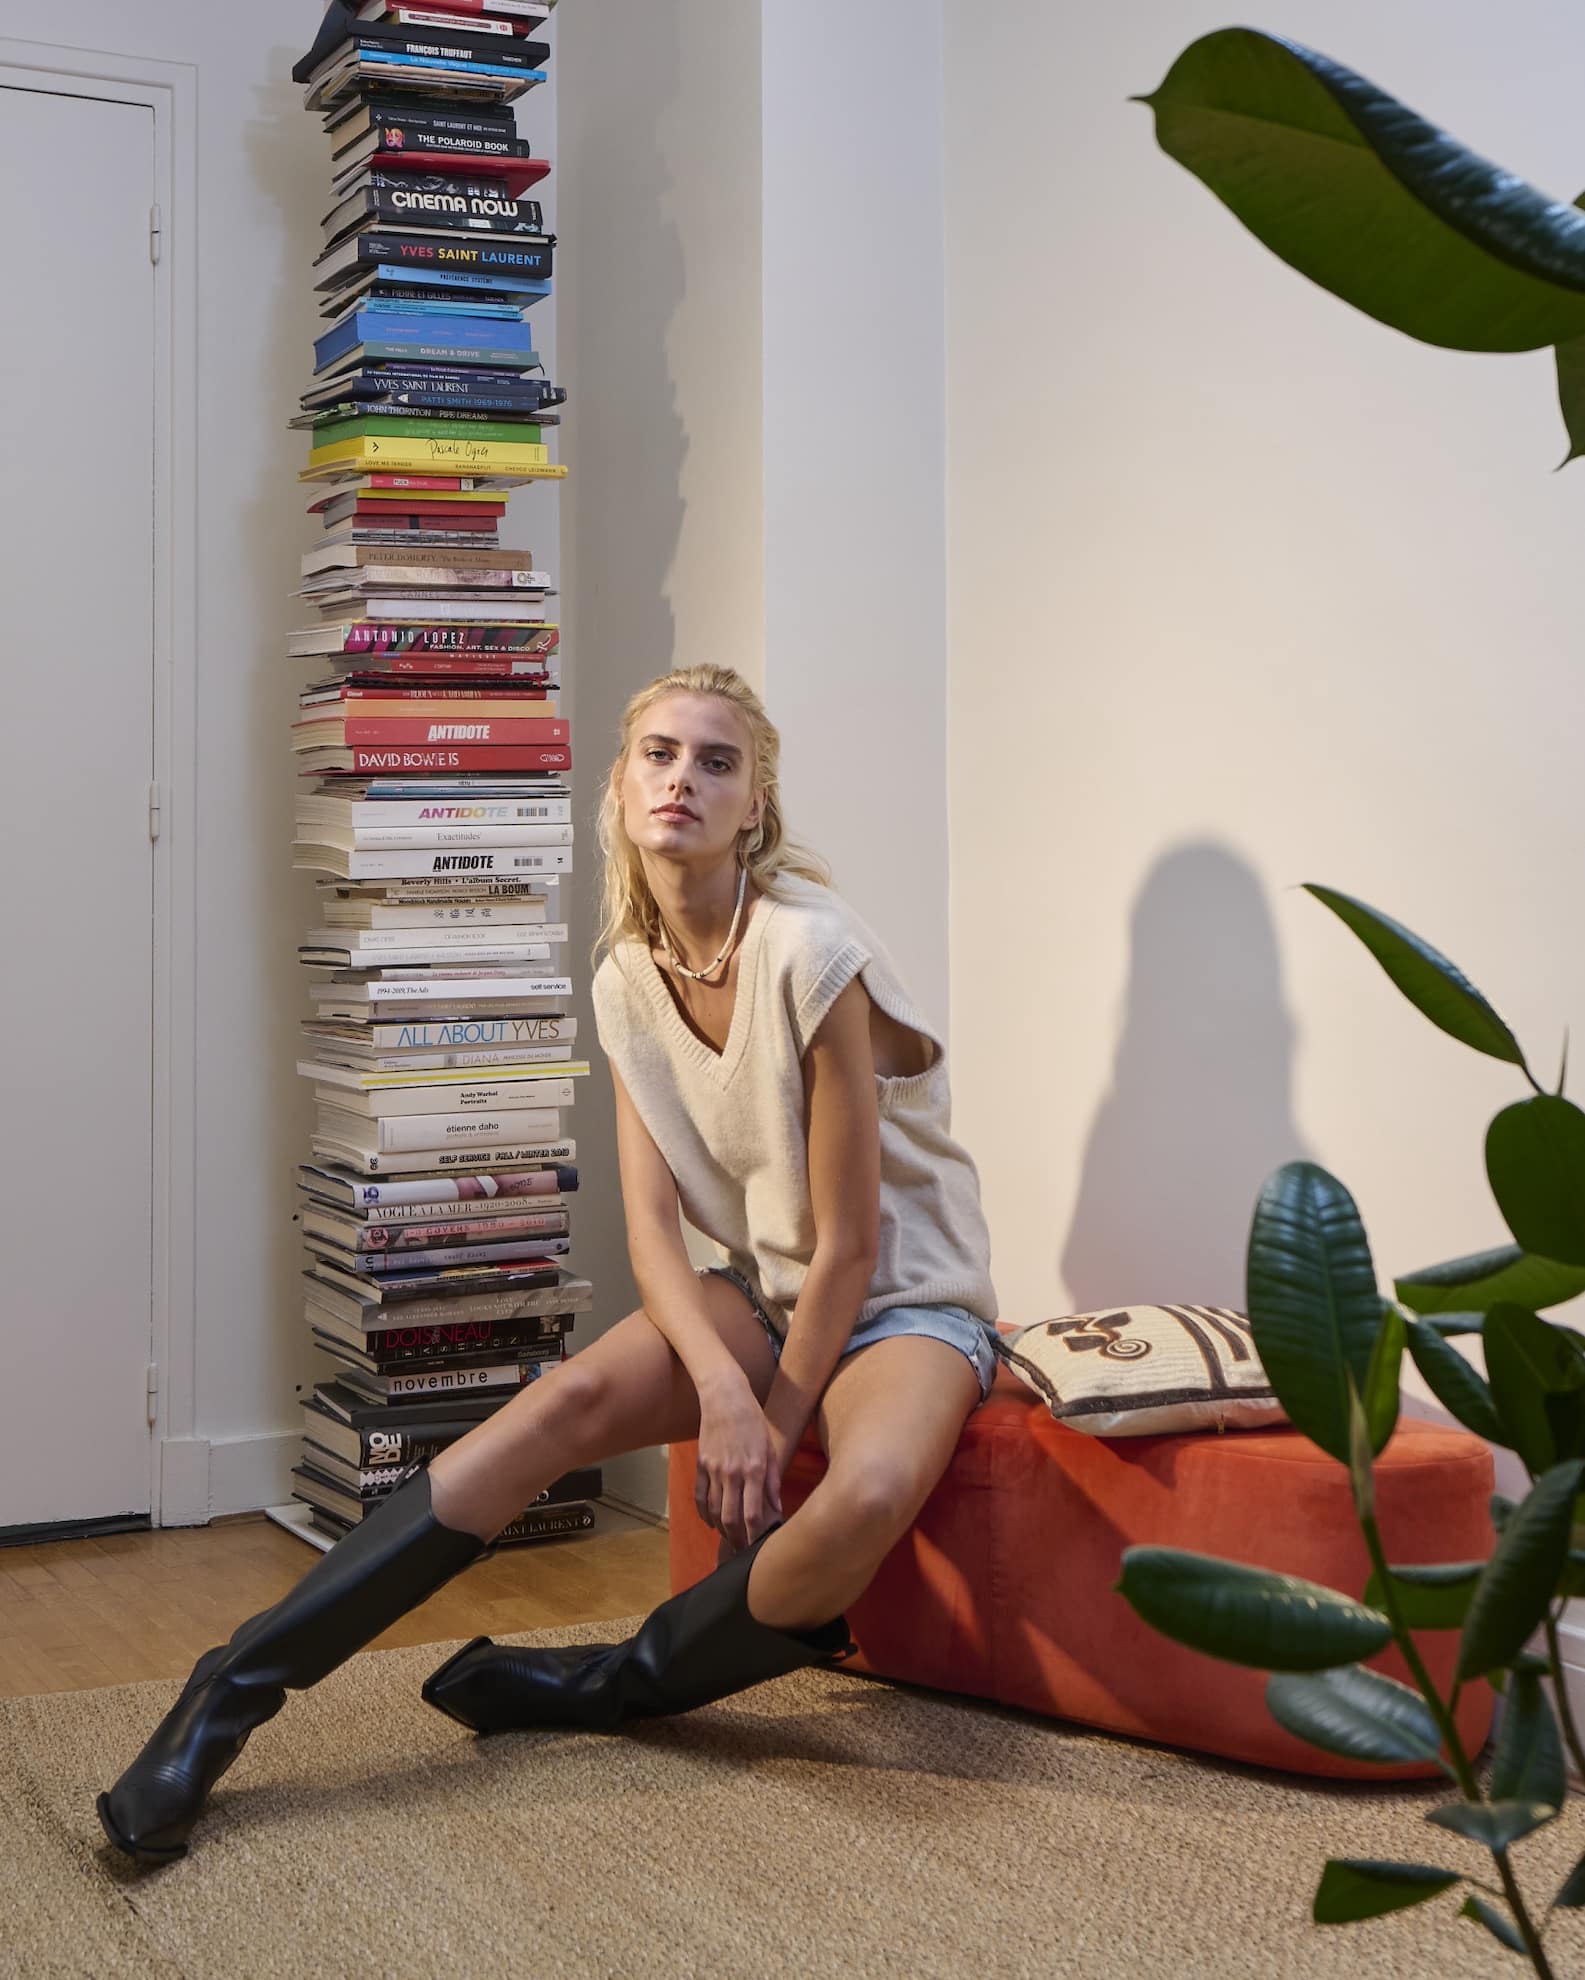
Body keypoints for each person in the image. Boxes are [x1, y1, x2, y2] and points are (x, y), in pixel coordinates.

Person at [97, 664, 1000, 1865]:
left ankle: (606, 1684)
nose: (682, 779)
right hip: (764, 1293)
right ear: (620, 784)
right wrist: (722, 1388)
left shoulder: (810, 954)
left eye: (716, 762)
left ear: (755, 805)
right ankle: (227, 1693)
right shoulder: (626, 976)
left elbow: (849, 1248)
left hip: (904, 1305)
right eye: (659, 754)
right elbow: (650, 1231)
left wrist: (769, 1430)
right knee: (553, 1408)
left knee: (870, 1493)